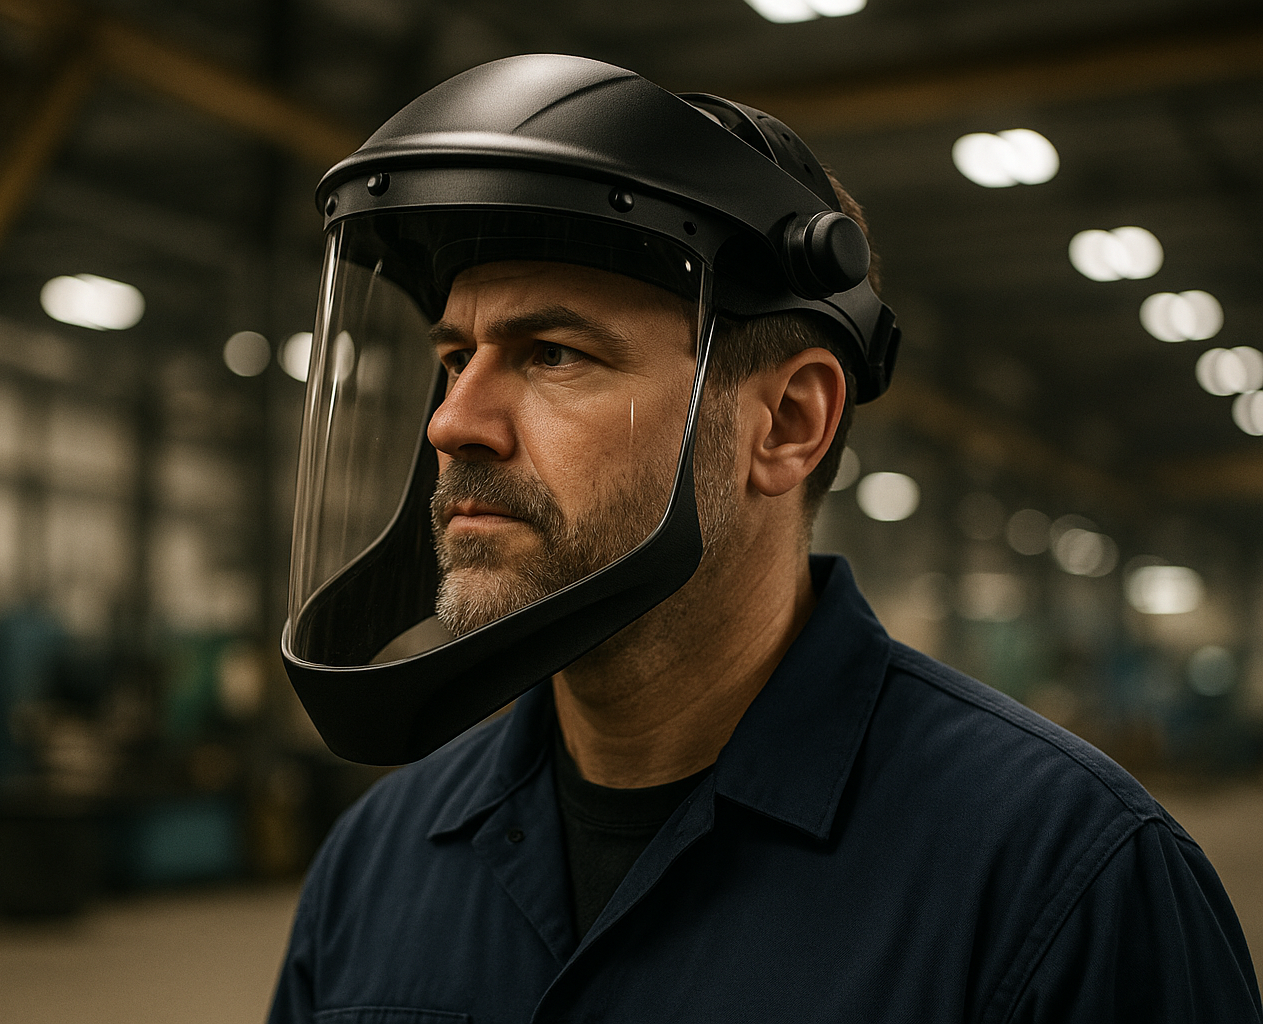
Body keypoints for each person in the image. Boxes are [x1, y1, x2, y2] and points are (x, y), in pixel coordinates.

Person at [270, 54, 1262, 1023]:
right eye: (455, 356)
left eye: (553, 353)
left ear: (787, 424)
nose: (453, 421)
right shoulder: (379, 861)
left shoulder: (1062, 880)